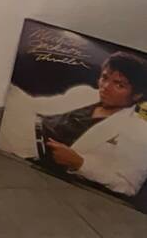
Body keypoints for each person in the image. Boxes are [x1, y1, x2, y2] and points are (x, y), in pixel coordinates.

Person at [34, 52, 147, 198]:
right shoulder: (84, 93)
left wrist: (80, 163)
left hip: (56, 182)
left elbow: (128, 186)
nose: (105, 87)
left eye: (119, 84)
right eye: (104, 78)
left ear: (137, 95)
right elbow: (37, 106)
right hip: (24, 146)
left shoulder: (139, 131)